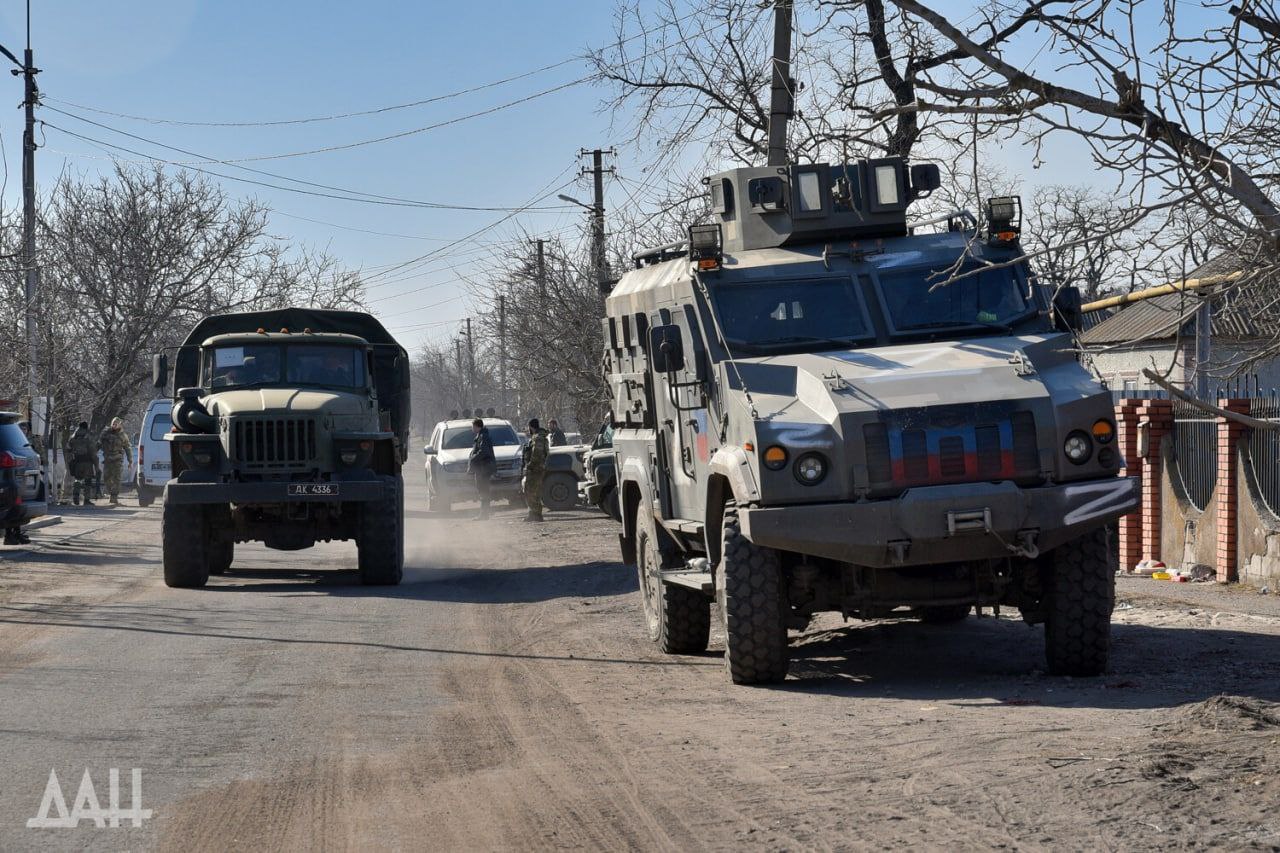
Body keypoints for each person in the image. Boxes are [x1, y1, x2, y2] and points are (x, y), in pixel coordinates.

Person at [98, 417, 133, 506]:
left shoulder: (123, 435)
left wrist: (130, 461)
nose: (114, 425)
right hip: (107, 460)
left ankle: (114, 497)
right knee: (106, 478)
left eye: (116, 424)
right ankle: (111, 493)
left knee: (117, 479)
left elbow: (127, 448)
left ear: (119, 425)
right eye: (113, 424)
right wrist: (93, 452)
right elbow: (99, 443)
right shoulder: (105, 433)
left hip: (117, 460)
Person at [521, 418, 549, 523]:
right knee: (534, 491)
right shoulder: (538, 437)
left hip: (535, 469)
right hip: (536, 468)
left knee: (530, 491)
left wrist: (529, 466)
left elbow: (537, 454)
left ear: (531, 427)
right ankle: (534, 514)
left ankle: (536, 515)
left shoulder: (538, 438)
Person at [467, 417, 496, 520]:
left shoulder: (483, 436)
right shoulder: (481, 436)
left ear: (476, 426)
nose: (472, 428)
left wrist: (473, 458)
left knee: (483, 490)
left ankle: (484, 514)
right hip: (482, 468)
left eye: (473, 426)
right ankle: (484, 513)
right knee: (483, 490)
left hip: (483, 468)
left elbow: (483, 452)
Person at [64, 421, 98, 507]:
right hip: (87, 462)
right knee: (88, 481)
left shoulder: (73, 437)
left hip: (77, 461)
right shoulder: (88, 436)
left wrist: (70, 461)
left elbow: (68, 449)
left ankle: (75, 496)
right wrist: (96, 465)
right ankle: (86, 500)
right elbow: (93, 452)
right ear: (86, 427)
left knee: (78, 479)